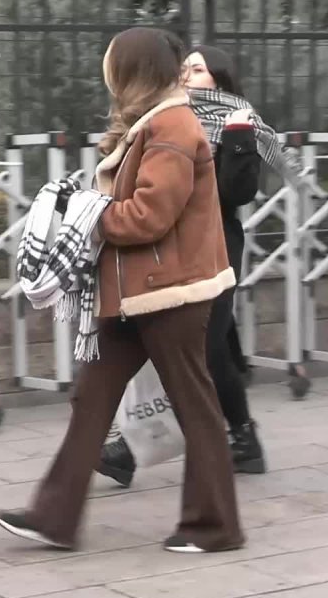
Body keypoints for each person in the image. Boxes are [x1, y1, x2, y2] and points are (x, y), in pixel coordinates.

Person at [0, 27, 243, 555]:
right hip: (135, 293)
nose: (108, 78)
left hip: (170, 293)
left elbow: (150, 215)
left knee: (193, 403)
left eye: (113, 68)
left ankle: (214, 525)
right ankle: (54, 518)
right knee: (93, 397)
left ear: (132, 73)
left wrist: (89, 217)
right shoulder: (153, 124)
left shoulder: (173, 125)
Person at [97, 44, 270, 486]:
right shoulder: (164, 118)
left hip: (215, 246)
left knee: (199, 350)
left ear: (219, 81)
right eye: (185, 68)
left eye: (199, 69)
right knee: (204, 348)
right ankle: (239, 441)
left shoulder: (233, 123)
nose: (188, 76)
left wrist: (236, 140)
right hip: (175, 247)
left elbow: (237, 192)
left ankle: (142, 450)